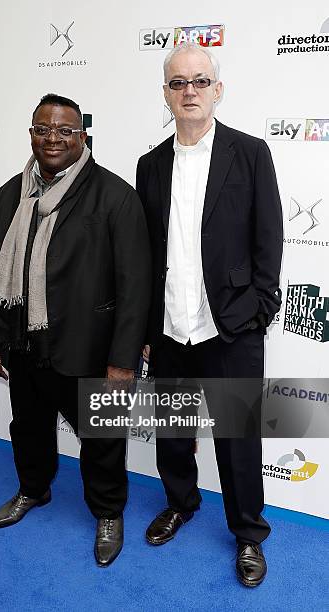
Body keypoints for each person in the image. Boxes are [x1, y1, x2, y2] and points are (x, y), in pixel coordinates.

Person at [0, 93, 151, 567]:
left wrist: (123, 360)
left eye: (64, 130)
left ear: (83, 137)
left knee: (102, 442)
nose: (52, 137)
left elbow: (135, 286)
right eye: (42, 128)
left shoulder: (115, 196)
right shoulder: (11, 195)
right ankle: (32, 490)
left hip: (91, 349)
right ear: (32, 133)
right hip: (25, 342)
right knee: (28, 428)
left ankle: (109, 513)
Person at [136, 44, 283, 587]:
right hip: (171, 326)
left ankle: (248, 533)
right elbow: (147, 252)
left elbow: (270, 241)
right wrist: (146, 329)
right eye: (178, 83)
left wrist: (259, 310)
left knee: (239, 440)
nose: (189, 91)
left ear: (217, 89)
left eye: (200, 81)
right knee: (173, 431)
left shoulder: (250, 153)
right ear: (167, 94)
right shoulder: (149, 166)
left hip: (232, 325)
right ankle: (181, 502)